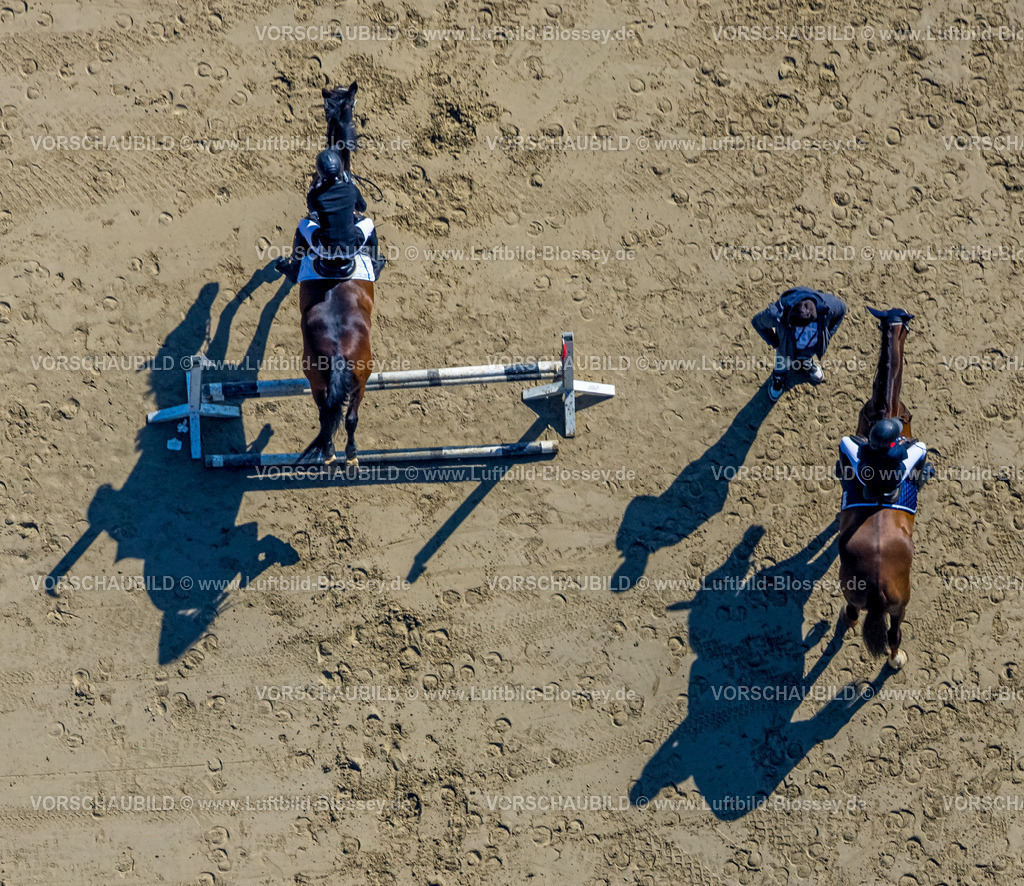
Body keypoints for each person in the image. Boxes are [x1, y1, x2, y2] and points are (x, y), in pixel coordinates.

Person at [276, 149, 372, 282]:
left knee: (302, 225)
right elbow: (362, 207)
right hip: (352, 248)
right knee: (369, 223)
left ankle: (294, 267)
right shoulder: (351, 189)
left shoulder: (315, 194)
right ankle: (376, 262)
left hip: (324, 250)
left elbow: (313, 214)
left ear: (320, 172)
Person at [751, 286, 847, 402]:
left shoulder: (828, 306)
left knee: (807, 355)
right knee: (782, 363)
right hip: (786, 350)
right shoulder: (778, 314)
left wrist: (828, 334)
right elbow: (757, 322)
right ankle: (778, 379)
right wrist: (776, 343)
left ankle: (806, 363)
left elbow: (842, 310)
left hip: (810, 348)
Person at [836, 417, 933, 509]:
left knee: (844, 441)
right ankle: (919, 480)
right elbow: (901, 450)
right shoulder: (897, 452)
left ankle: (844, 476)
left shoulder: (864, 448)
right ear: (891, 443)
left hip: (866, 479)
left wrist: (866, 442)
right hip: (893, 482)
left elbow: (862, 452)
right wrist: (901, 442)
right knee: (922, 447)